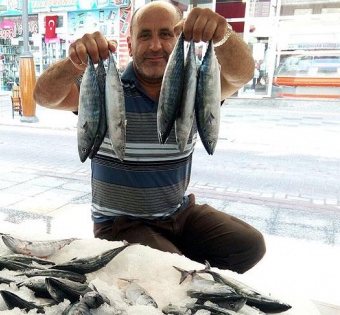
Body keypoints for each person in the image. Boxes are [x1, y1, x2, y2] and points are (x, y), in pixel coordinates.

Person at [33, 2, 265, 274]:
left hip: (179, 213)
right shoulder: (106, 86)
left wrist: (222, 35)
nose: (155, 45)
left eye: (166, 34)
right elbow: (44, 96)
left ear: (180, 38)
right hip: (120, 223)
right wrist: (73, 63)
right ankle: (166, 272)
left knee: (250, 245)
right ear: (130, 45)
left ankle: (165, 267)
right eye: (144, 35)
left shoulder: (198, 86)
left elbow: (241, 74)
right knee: (173, 271)